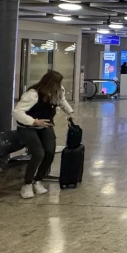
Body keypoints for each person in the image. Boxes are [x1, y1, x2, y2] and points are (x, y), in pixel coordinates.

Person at [12, 70, 76, 199]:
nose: (60, 86)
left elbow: (62, 101)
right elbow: (17, 112)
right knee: (38, 154)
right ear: (50, 83)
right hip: (27, 127)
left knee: (50, 152)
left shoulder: (58, 91)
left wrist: (70, 112)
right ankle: (27, 184)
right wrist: (34, 122)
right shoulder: (33, 94)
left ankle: (38, 180)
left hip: (45, 126)